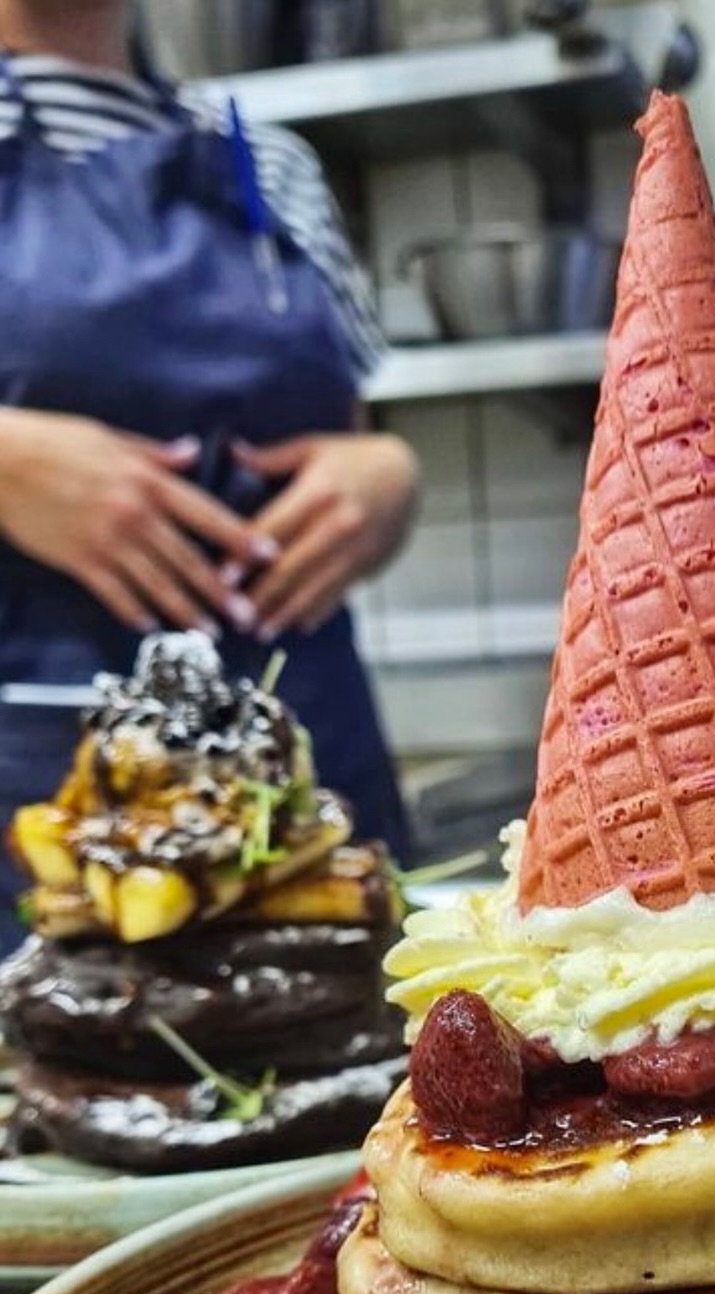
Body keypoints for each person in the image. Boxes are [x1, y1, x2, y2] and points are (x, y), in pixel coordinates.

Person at [0, 0, 418, 948]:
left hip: (311, 763)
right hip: (46, 797)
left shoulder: (268, 163)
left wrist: (389, 473)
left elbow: (350, 430)